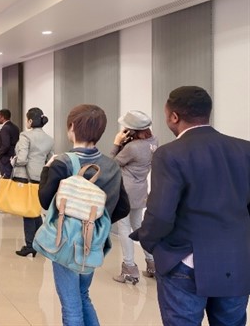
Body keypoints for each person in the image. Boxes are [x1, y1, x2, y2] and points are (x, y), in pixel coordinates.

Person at [131, 86, 250, 325]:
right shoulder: (245, 149)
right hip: (237, 260)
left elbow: (160, 214)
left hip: (186, 262)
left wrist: (150, 242)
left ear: (174, 116)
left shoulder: (169, 154)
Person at [38, 104, 130, 325]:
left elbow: (44, 200)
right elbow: (123, 207)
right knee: (83, 295)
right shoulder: (111, 165)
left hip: (66, 242)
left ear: (71, 127)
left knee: (71, 307)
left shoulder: (62, 162)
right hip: (93, 243)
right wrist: (97, 225)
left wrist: (46, 169)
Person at [109, 110, 158, 284]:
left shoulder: (132, 148)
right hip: (141, 191)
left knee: (124, 228)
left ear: (131, 129)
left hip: (126, 192)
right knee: (138, 226)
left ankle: (129, 268)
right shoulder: (153, 141)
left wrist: (116, 143)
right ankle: (153, 264)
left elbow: (111, 164)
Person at [12, 107, 54, 258]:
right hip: (40, 178)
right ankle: (39, 242)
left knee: (28, 212)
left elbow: (22, 159)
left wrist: (14, 161)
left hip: (26, 178)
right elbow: (50, 159)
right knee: (35, 211)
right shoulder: (49, 139)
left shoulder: (25, 135)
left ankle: (30, 245)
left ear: (30, 121)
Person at [0, 109, 20, 178]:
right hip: (13, 158)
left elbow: (6, 145)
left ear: (2, 117)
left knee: (5, 181)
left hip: (5, 160)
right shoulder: (15, 127)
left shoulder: (5, 128)